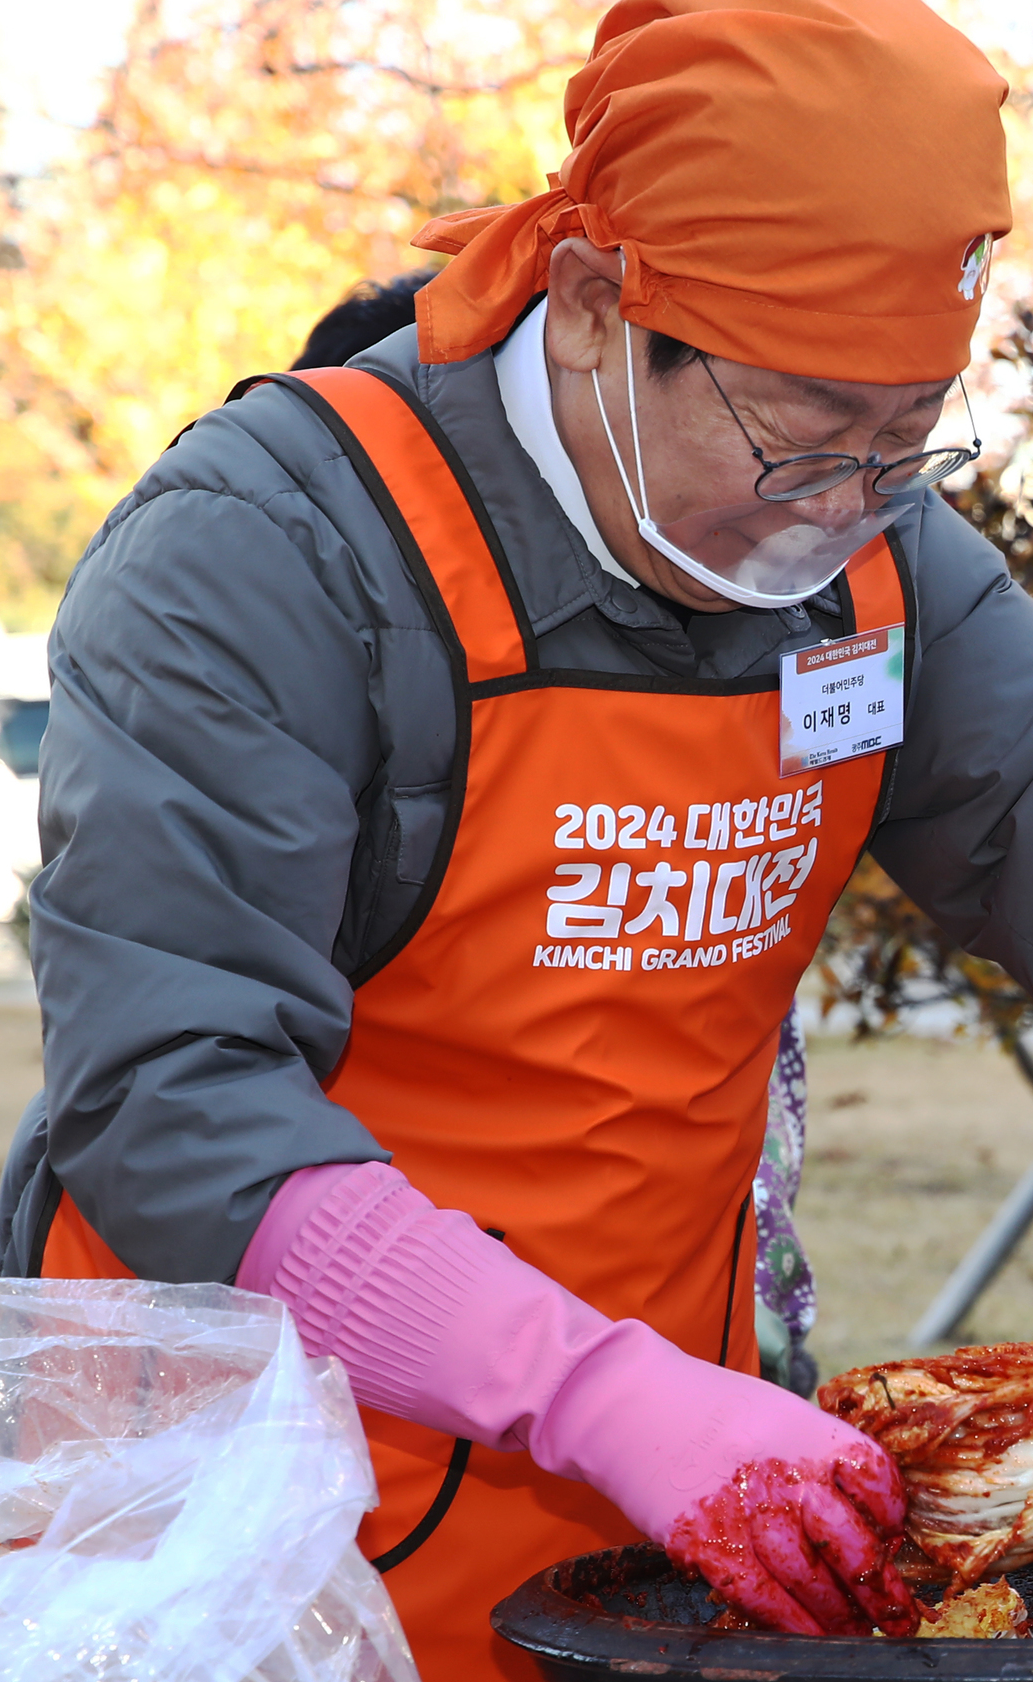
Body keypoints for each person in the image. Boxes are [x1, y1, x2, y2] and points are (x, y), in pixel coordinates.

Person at [0, 0, 1033, 1682]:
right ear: (594, 298)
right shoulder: (270, 555)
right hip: (245, 1563)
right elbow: (171, 1101)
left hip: (674, 1537)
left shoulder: (872, 561)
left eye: (905, 443)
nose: (847, 507)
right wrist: (588, 1387)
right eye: (801, 440)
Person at [295, 269, 823, 1394]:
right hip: (318, 1400)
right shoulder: (290, 595)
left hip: (685, 1327)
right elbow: (182, 1079)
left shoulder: (783, 577)